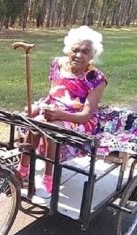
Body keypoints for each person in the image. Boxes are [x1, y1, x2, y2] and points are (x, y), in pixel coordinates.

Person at [18, 25, 107, 200]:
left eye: (85, 52)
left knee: (53, 128)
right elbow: (54, 95)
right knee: (34, 123)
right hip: (53, 111)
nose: (79, 55)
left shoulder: (97, 79)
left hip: (79, 118)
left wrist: (59, 115)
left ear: (92, 55)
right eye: (75, 50)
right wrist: (39, 106)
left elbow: (86, 115)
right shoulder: (57, 64)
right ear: (68, 49)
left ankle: (48, 180)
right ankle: (22, 170)